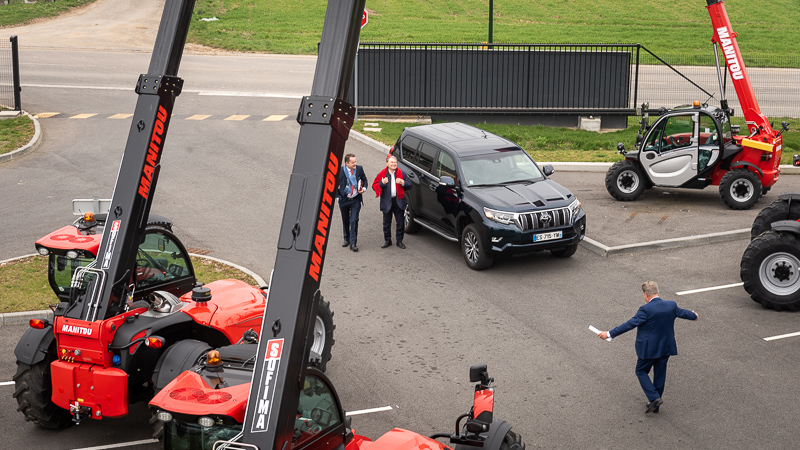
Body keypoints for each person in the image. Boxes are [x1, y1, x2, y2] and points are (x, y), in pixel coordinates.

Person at [597, 281, 698, 414]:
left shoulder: (646, 309)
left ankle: (654, 398)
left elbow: (630, 324)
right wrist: (694, 315)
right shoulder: (671, 305)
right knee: (660, 374)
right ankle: (656, 405)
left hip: (649, 349)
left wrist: (609, 333)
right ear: (657, 291)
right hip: (666, 348)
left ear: (646, 294)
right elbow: (685, 314)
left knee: (641, 371)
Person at [372, 155, 412, 249]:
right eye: (392, 162)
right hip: (387, 202)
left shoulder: (402, 173)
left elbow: (410, 185)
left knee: (400, 223)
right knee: (386, 223)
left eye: (395, 162)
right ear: (387, 164)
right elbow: (374, 186)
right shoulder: (382, 174)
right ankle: (387, 240)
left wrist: (403, 182)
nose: (394, 164)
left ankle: (399, 241)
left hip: (399, 201)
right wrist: (382, 183)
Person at [337, 153, 368, 252]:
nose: (355, 164)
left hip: (355, 200)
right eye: (353, 162)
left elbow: (365, 180)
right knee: (345, 220)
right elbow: (334, 185)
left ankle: (353, 243)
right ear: (347, 163)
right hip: (344, 200)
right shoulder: (340, 171)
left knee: (354, 221)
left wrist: (363, 188)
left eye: (355, 161)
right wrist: (338, 197)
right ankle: (346, 238)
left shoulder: (359, 169)